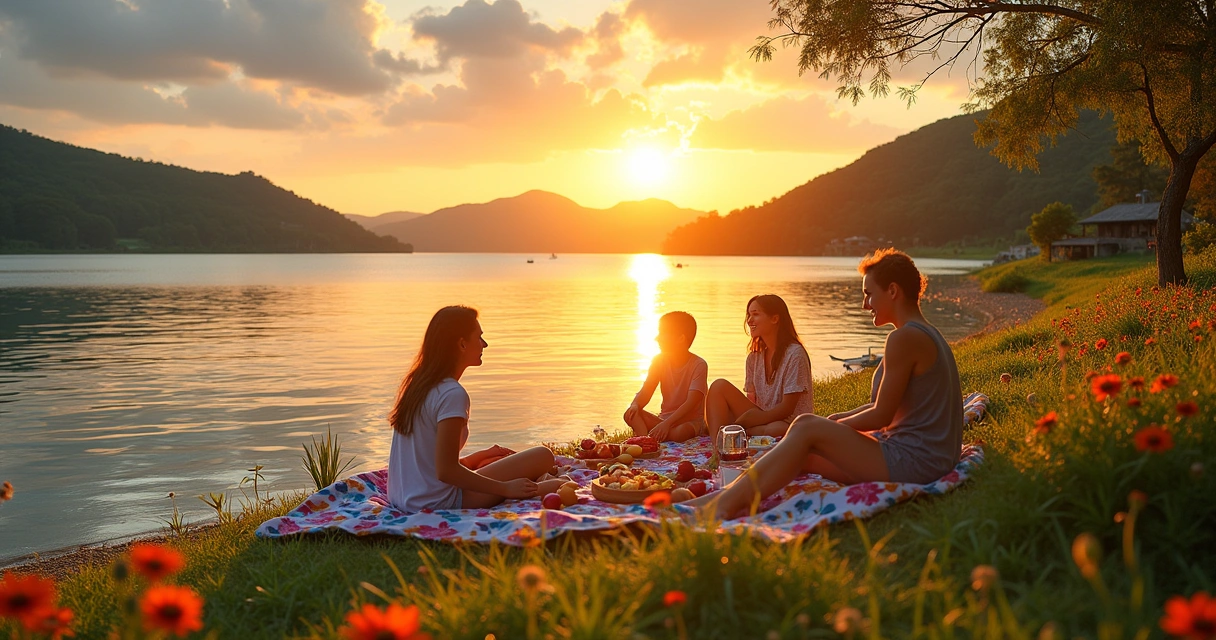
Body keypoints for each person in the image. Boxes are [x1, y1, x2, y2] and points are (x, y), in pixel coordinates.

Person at [686, 249, 963, 520]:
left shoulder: (904, 338)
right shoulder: (926, 333)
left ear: (892, 291)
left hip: (915, 462)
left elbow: (882, 415)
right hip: (931, 458)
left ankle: (721, 508)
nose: (865, 304)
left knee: (805, 426)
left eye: (868, 294)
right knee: (799, 456)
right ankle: (727, 493)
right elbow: (896, 407)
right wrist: (839, 419)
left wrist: (828, 429)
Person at [387, 305, 566, 511]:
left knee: (513, 461)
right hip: (437, 503)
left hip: (402, 496)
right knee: (542, 456)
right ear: (462, 344)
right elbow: (446, 472)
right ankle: (542, 486)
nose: (484, 344)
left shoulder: (417, 385)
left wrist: (478, 457)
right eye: (479, 337)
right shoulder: (452, 394)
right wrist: (505, 488)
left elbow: (428, 460)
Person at [705, 294, 814, 437]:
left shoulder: (795, 354)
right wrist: (745, 417)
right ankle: (719, 447)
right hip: (761, 418)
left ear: (775, 319)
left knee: (775, 430)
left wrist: (746, 422)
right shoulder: (754, 357)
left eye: (755, 314)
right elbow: (752, 400)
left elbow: (787, 408)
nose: (749, 320)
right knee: (718, 386)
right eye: (749, 315)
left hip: (789, 421)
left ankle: (740, 432)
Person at [623, 311, 710, 442]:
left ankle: (652, 437)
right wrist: (635, 404)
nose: (657, 338)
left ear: (680, 339)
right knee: (630, 414)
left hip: (689, 422)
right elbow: (646, 390)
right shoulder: (659, 361)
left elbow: (691, 403)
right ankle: (645, 441)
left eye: (662, 333)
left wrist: (666, 424)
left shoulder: (699, 365)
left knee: (680, 433)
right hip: (663, 420)